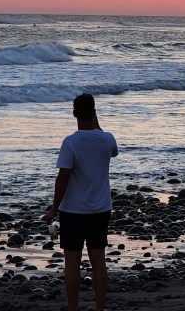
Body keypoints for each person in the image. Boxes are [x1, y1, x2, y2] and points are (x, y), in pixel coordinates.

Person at [44, 94, 119, 311]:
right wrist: (96, 121)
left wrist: (53, 208)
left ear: (74, 113)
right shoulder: (107, 139)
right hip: (100, 208)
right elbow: (112, 150)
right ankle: (99, 307)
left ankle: (73, 308)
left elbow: (63, 178)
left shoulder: (70, 142)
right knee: (98, 260)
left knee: (72, 263)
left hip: (73, 210)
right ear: (95, 112)